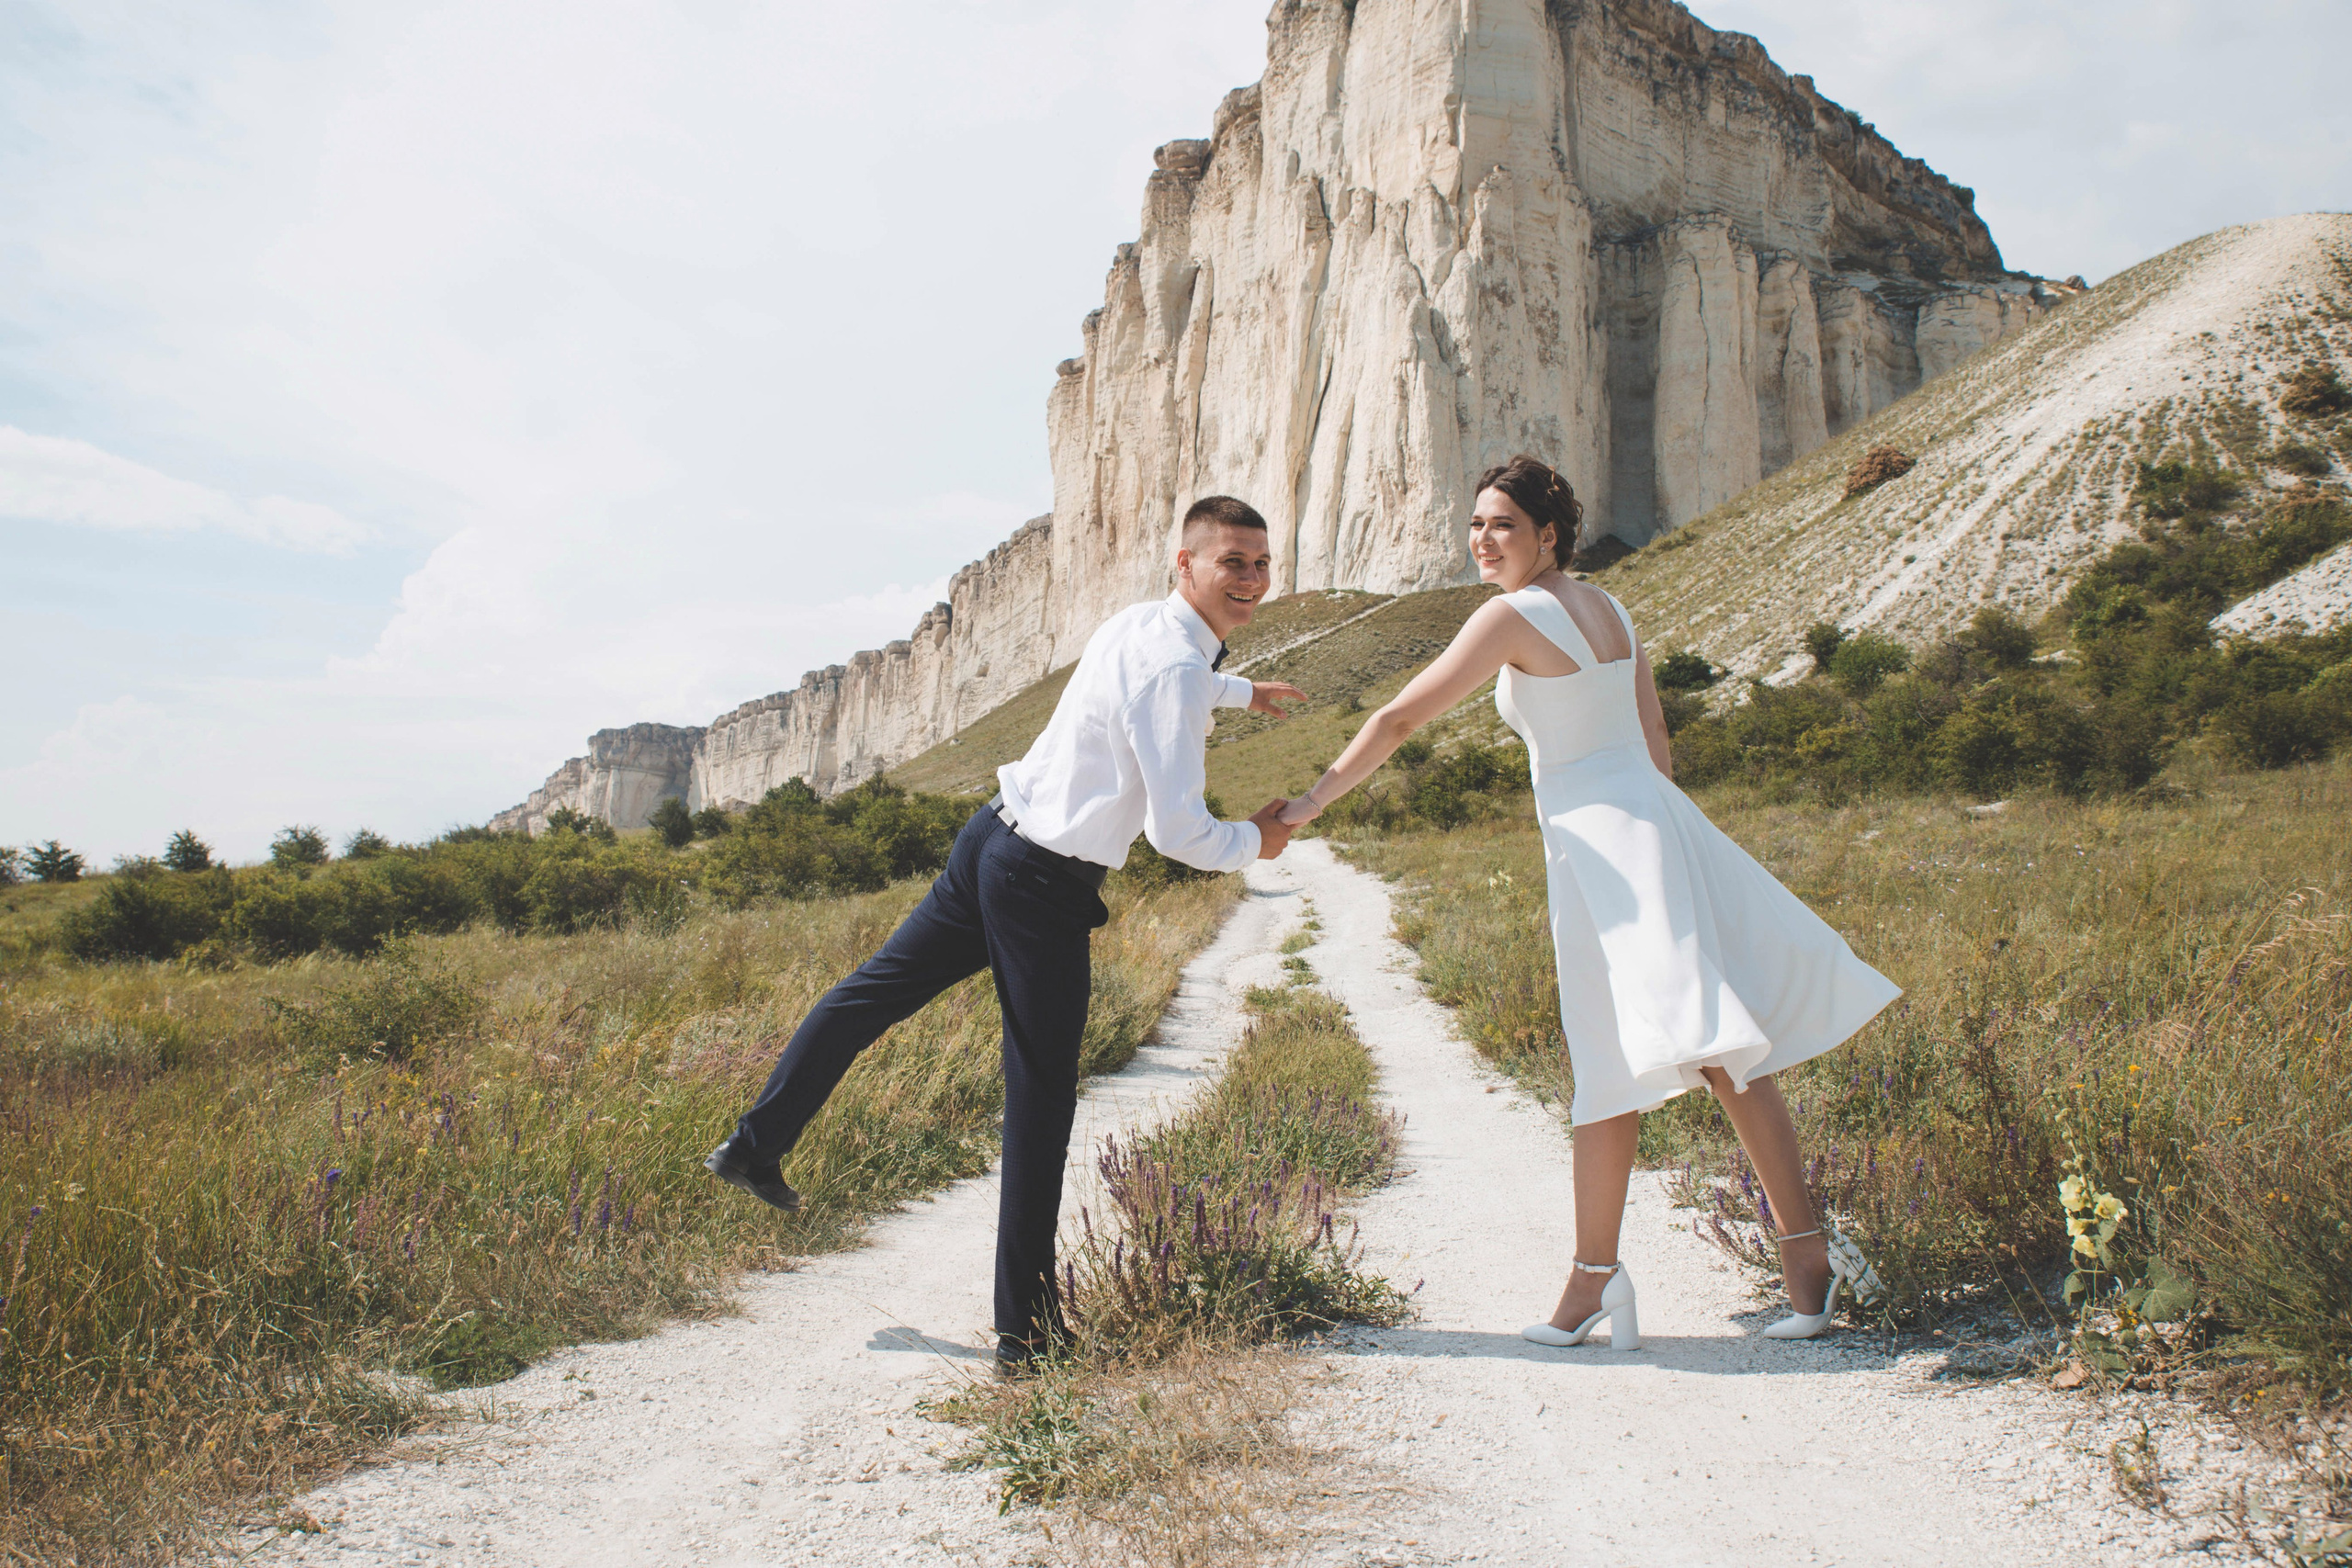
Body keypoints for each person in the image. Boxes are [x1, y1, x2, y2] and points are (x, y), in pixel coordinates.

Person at [1277, 456, 1900, 1346]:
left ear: (1547, 534)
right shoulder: (1610, 608)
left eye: (1502, 525)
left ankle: (1806, 1261)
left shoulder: (1509, 617)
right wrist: (1648, 833)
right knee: (1611, 1059)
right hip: (1642, 829)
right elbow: (1655, 743)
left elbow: (1400, 719)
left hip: (1607, 844)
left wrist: (1303, 807)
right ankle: (1593, 1281)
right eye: (1476, 525)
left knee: (1721, 1045)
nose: (1483, 542)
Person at [705, 495, 1307, 1368]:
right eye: (1232, 563)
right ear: (1187, 563)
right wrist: (1260, 838)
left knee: (871, 994)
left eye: (1259, 563)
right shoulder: (1174, 669)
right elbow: (1178, 833)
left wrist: (1246, 689)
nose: (1250, 579)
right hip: (1042, 884)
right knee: (1041, 1097)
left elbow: (1173, 677)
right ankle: (1026, 1335)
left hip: (990, 837)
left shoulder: (1138, 626)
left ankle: (753, 1143)